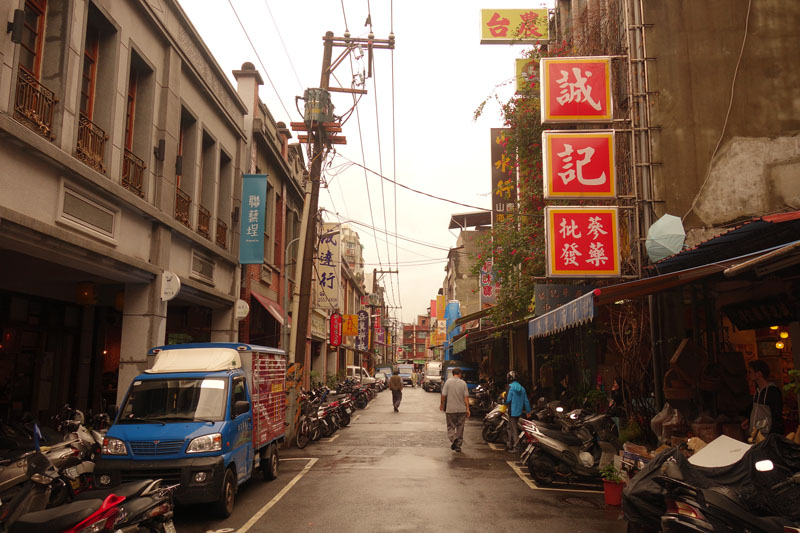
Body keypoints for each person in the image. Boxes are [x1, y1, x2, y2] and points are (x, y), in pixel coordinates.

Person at [742, 360, 784, 436]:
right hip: (755, 434)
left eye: (750, 372)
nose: (748, 375)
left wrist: (773, 436)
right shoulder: (757, 391)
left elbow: (776, 415)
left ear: (758, 374)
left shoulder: (772, 391)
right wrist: (749, 420)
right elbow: (757, 411)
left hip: (765, 435)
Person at [440, 367, 470, 452]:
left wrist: (442, 404)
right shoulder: (463, 383)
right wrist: (468, 409)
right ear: (460, 374)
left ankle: (453, 439)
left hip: (451, 409)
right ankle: (458, 445)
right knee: (460, 427)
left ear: (453, 373)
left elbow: (443, 394)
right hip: (461, 409)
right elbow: (466, 397)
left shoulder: (448, 382)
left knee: (451, 426)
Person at [504, 371, 531, 452]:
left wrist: (503, 402)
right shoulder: (522, 388)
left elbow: (508, 400)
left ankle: (516, 447)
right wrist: (528, 411)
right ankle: (510, 444)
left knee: (513, 429)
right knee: (511, 428)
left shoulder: (510, 387)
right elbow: (526, 400)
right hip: (519, 411)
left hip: (512, 411)